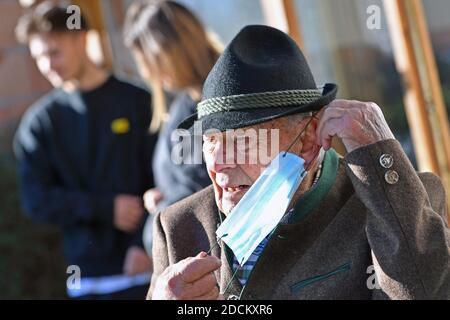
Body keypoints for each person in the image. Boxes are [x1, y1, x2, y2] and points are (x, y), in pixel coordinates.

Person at [148, 25, 450, 300]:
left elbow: (422, 292)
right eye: (210, 140)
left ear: (306, 141)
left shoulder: (392, 204)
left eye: (242, 140)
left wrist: (380, 152)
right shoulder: (178, 227)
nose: (218, 161)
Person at [13, 2, 156, 299]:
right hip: (83, 281)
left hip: (145, 274)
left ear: (82, 38)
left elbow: (164, 180)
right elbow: (35, 199)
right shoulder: (39, 124)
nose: (48, 65)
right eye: (39, 57)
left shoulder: (138, 102)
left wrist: (142, 241)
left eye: (54, 52)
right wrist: (105, 208)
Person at [123, 1, 220, 253]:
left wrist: (169, 202)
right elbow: (191, 181)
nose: (146, 72)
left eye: (150, 61)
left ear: (172, 49)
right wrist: (165, 196)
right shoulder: (185, 105)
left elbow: (210, 188)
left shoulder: (221, 99)